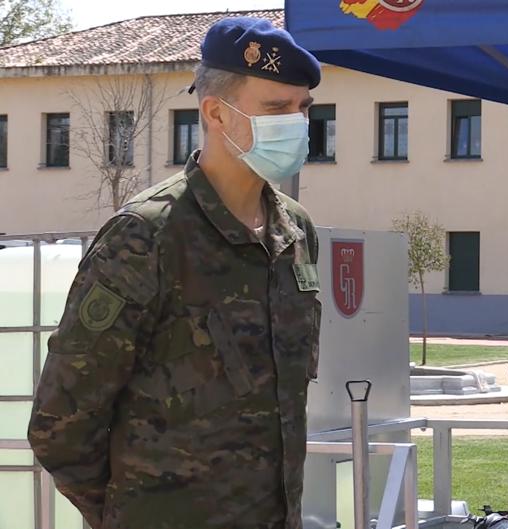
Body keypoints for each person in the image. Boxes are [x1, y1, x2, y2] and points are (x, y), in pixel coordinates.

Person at [27, 17, 323, 529]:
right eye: (278, 108)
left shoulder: (294, 231)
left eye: (304, 108)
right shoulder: (147, 235)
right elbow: (61, 423)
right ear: (216, 113)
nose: (297, 123)